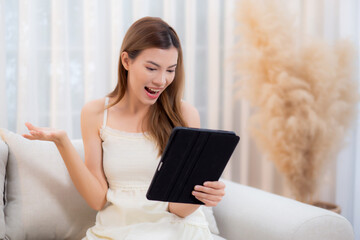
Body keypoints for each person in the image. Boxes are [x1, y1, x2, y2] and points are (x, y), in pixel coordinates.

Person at [22, 16, 226, 240]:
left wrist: (200, 196)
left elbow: (176, 210)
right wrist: (62, 143)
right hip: (115, 231)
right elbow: (97, 199)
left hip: (174, 230)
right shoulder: (95, 113)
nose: (161, 80)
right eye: (152, 68)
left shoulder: (184, 115)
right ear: (126, 61)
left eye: (170, 70)